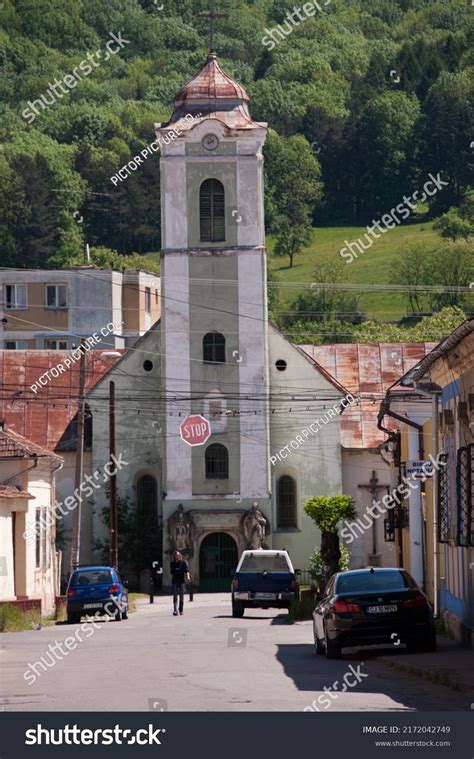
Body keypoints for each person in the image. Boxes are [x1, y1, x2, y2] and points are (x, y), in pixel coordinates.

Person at [170, 551, 191, 616]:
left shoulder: (183, 563)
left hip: (181, 582)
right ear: (174, 556)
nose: (177, 556)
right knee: (175, 596)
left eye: (178, 555)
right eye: (176, 555)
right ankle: (175, 610)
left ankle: (181, 610)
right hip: (175, 582)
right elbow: (172, 571)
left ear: (180, 556)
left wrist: (188, 576)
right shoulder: (172, 563)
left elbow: (186, 571)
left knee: (181, 597)